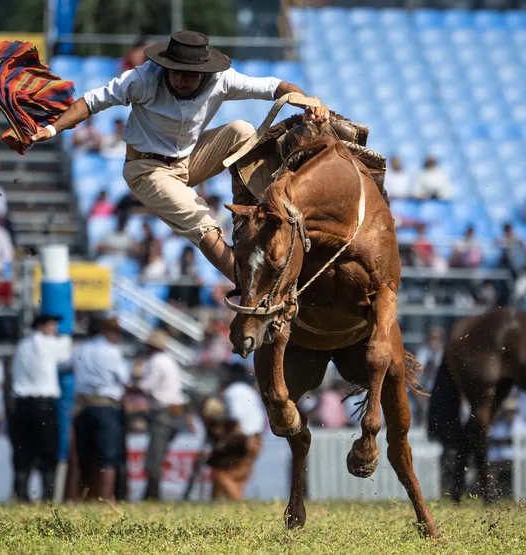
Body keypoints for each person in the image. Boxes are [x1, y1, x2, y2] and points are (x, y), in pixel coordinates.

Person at [33, 31, 327, 282]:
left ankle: (275, 211)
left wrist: (307, 102)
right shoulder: (143, 79)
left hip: (188, 160)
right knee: (203, 221)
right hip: (146, 169)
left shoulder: (221, 80)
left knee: (242, 130)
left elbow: (275, 87)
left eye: (189, 75)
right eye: (176, 72)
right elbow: (91, 102)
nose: (181, 80)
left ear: (205, 72)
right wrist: (51, 129)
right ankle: (251, 287)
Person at [10, 314, 72, 501]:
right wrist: (63, 338)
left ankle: (22, 496)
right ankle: (48, 497)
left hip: (22, 404)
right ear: (42, 327)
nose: (55, 330)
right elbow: (67, 352)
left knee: (23, 451)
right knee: (48, 450)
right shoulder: (47, 344)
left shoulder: (22, 345)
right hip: (43, 405)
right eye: (52, 326)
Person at [72, 317, 130, 501]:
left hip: (83, 406)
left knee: (84, 454)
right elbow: (125, 378)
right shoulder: (111, 351)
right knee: (108, 455)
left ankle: (82, 496)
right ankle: (106, 497)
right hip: (106, 406)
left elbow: (66, 367)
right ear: (105, 332)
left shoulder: (79, 349)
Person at [133, 330, 185, 500]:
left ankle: (152, 496)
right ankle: (152, 495)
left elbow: (147, 386)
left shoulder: (156, 361)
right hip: (173, 411)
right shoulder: (169, 360)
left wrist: (131, 386)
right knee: (157, 456)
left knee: (154, 458)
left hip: (164, 413)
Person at [210, 362, 265, 500]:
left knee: (221, 474)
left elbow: (235, 417)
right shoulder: (250, 391)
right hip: (256, 439)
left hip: (242, 439)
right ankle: (222, 504)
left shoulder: (234, 391)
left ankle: (238, 504)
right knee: (238, 477)